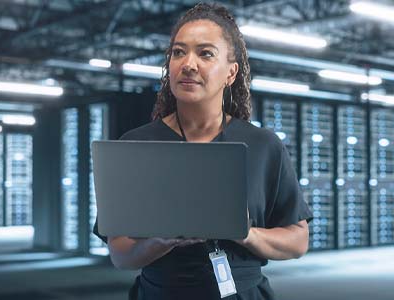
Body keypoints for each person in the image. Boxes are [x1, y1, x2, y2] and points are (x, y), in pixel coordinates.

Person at [93, 3, 313, 300]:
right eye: (178, 52)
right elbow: (121, 256)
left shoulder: (263, 146)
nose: (188, 63)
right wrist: (160, 240)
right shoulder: (136, 146)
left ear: (231, 73)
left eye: (205, 53)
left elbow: (297, 241)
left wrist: (245, 232)